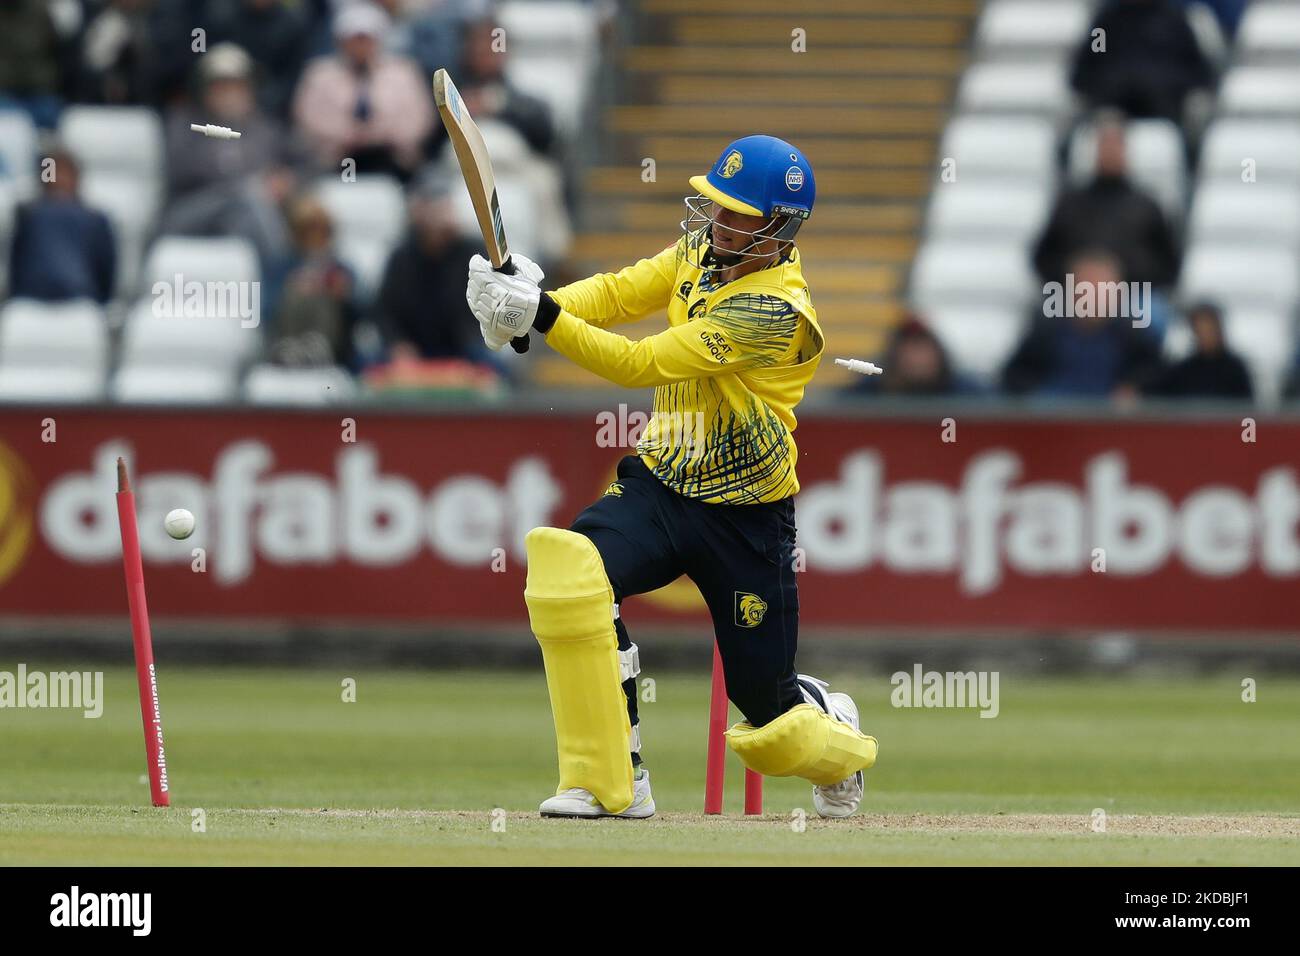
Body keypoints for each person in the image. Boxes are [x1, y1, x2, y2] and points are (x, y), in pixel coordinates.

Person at [465, 135, 879, 819]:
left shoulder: (776, 312)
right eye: (717, 206)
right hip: (663, 480)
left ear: (779, 227)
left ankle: (832, 724)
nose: (720, 223)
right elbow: (617, 293)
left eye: (740, 214)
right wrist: (532, 300)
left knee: (772, 727)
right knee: (571, 571)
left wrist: (537, 315)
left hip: (746, 515)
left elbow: (641, 363)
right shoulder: (699, 252)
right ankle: (609, 784)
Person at [160, 44, 300, 268]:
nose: (229, 94)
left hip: (247, 217)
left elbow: (308, 162)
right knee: (249, 196)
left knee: (246, 216)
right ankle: (280, 272)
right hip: (189, 212)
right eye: (220, 86)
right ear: (203, 90)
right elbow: (179, 170)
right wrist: (244, 185)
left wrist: (285, 180)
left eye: (236, 86)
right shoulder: (185, 124)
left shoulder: (267, 129)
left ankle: (257, 288)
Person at [1033, 113, 1181, 290]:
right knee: (1049, 312)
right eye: (1105, 144)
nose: (1110, 151)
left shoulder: (1147, 205)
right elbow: (1043, 259)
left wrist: (1122, 277)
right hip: (1077, 296)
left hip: (1133, 296)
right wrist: (1079, 275)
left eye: (1116, 144)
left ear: (1126, 150)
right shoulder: (1070, 203)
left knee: (1151, 311)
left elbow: (1169, 266)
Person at [291, 2, 434, 181]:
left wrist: (380, 133)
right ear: (341, 40)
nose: (360, 46)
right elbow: (308, 118)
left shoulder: (402, 73)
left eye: (365, 39)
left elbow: (419, 118)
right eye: (354, 39)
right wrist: (348, 133)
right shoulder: (320, 74)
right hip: (337, 158)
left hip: (392, 158)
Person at [1003, 249, 1165, 401]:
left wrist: (1133, 388)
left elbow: (1154, 377)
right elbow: (1016, 377)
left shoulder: (1133, 336)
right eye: (1086, 287)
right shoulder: (1047, 331)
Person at [375, 169, 487, 362]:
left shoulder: (472, 253)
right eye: (432, 205)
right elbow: (384, 311)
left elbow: (480, 309)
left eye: (444, 204)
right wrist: (397, 344)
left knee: (492, 364)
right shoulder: (401, 256)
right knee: (370, 363)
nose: (439, 213)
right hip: (412, 348)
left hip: (463, 346)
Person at [1070, 0, 1214, 124]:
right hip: (1113, 110)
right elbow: (1088, 68)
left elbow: (1196, 71)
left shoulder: (1175, 22)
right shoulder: (1104, 25)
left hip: (1165, 110)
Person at [8, 149, 116, 304]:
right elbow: (16, 268)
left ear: (77, 178)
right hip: (30, 304)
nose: (60, 179)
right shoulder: (28, 215)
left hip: (80, 304)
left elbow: (104, 274)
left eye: (65, 174)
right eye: (54, 174)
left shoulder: (96, 220)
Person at [851, 314, 984, 398]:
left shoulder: (967, 394)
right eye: (910, 350)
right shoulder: (868, 393)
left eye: (922, 349)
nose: (917, 359)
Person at [1149, 302, 1253, 400]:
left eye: (1209, 329)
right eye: (1200, 330)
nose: (1205, 335)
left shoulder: (1235, 370)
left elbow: (1246, 406)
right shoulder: (1185, 370)